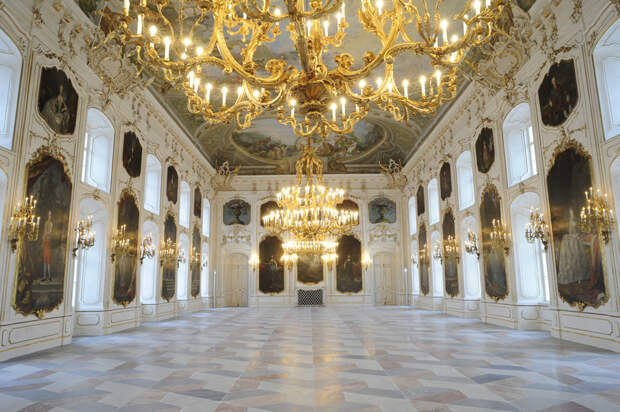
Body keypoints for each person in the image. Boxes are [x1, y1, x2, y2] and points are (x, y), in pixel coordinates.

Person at [42, 211, 53, 282]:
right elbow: (45, 230)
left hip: (48, 249)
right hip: (45, 249)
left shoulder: (51, 224)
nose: (49, 217)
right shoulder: (46, 223)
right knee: (45, 262)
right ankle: (44, 276)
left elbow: (50, 231)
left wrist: (47, 234)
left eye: (50, 215)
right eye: (48, 215)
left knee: (48, 263)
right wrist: (44, 236)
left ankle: (49, 276)